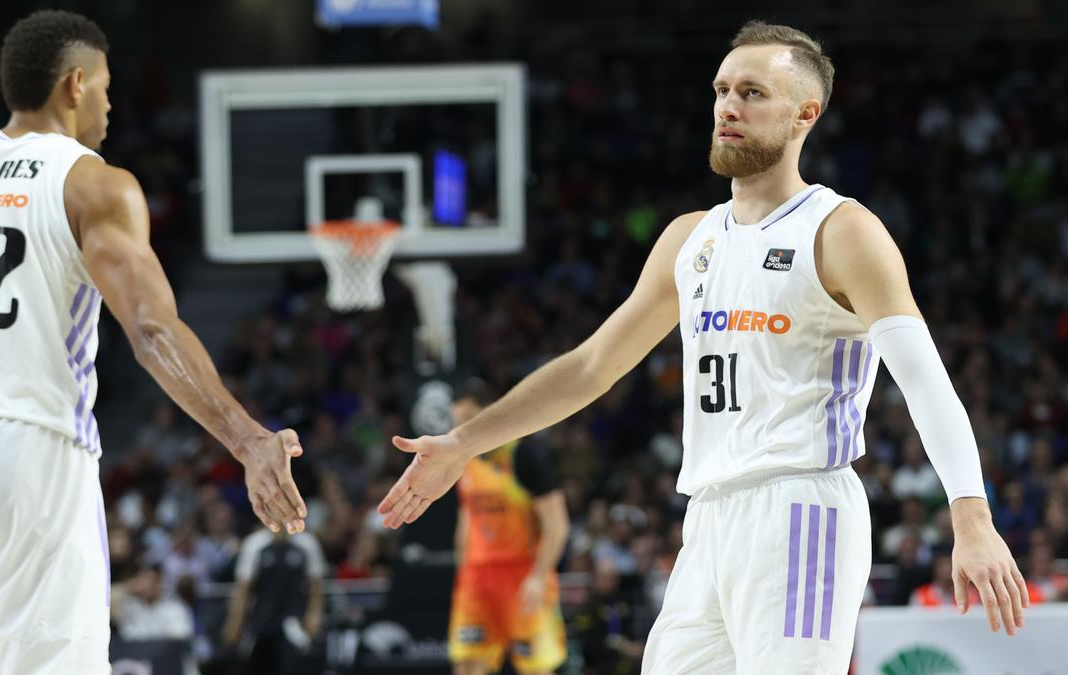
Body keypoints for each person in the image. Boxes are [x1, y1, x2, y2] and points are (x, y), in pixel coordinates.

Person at [378, 20, 1027, 674]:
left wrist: (970, 515)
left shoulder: (842, 231)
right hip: (710, 516)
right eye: (721, 89)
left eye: (751, 92)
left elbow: (923, 377)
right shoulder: (691, 239)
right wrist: (465, 442)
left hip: (800, 509)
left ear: (806, 113)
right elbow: (591, 365)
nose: (728, 106)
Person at [0, 10, 306, 674]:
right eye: (105, 84)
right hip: (28, 442)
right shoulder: (93, 184)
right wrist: (246, 438)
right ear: (74, 84)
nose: (109, 100)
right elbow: (153, 330)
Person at [447, 379, 570, 675]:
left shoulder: (524, 456)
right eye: (457, 421)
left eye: (468, 419)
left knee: (536, 668)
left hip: (523, 574)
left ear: (490, 412)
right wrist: (463, 574)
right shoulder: (464, 460)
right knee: (466, 664)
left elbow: (557, 525)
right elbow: (467, 521)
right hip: (477, 577)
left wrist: (540, 576)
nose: (462, 428)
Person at [222, 525, 326, 675]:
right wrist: (234, 623)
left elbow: (316, 587)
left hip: (294, 622)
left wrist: (313, 618)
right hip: (261, 622)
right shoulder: (255, 544)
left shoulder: (307, 543)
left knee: (294, 666)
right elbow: (243, 589)